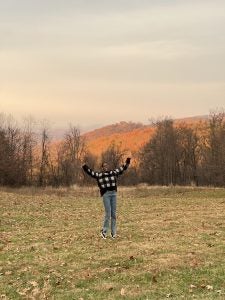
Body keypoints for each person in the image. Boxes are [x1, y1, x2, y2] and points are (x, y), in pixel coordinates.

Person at [82, 157, 131, 239]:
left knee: (114, 214)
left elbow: (122, 169)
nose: (106, 167)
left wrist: (127, 163)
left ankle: (113, 233)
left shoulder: (113, 173)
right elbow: (90, 172)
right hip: (106, 195)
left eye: (106, 166)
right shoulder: (99, 175)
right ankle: (104, 232)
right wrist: (84, 166)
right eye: (104, 166)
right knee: (108, 214)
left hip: (114, 194)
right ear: (102, 168)